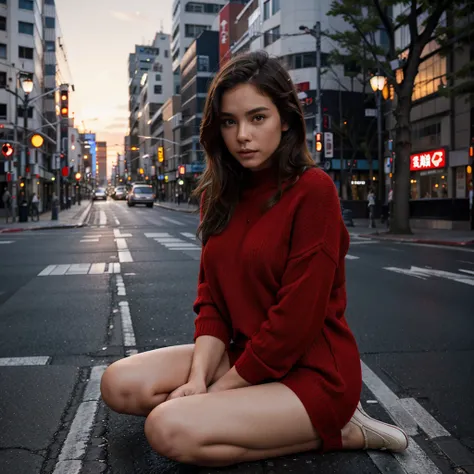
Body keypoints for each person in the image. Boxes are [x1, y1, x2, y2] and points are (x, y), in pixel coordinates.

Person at [100, 51, 408, 467]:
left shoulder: (313, 191)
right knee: (118, 383)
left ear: (285, 119)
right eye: (230, 121)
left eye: (257, 118)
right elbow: (211, 300)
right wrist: (196, 379)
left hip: (313, 372)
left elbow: (297, 320)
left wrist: (218, 390)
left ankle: (341, 429)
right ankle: (248, 411)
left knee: (168, 428)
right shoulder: (218, 193)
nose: (242, 134)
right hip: (243, 352)